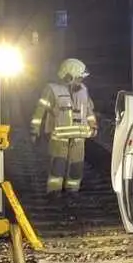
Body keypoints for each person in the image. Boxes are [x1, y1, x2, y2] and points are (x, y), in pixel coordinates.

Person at [30, 58, 97, 195]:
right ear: (69, 76)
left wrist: (93, 125)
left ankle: (73, 192)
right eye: (79, 77)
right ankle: (54, 192)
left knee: (76, 167)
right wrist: (34, 130)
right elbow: (40, 111)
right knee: (57, 166)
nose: (81, 80)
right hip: (59, 138)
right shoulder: (52, 90)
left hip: (79, 138)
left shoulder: (84, 90)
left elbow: (88, 110)